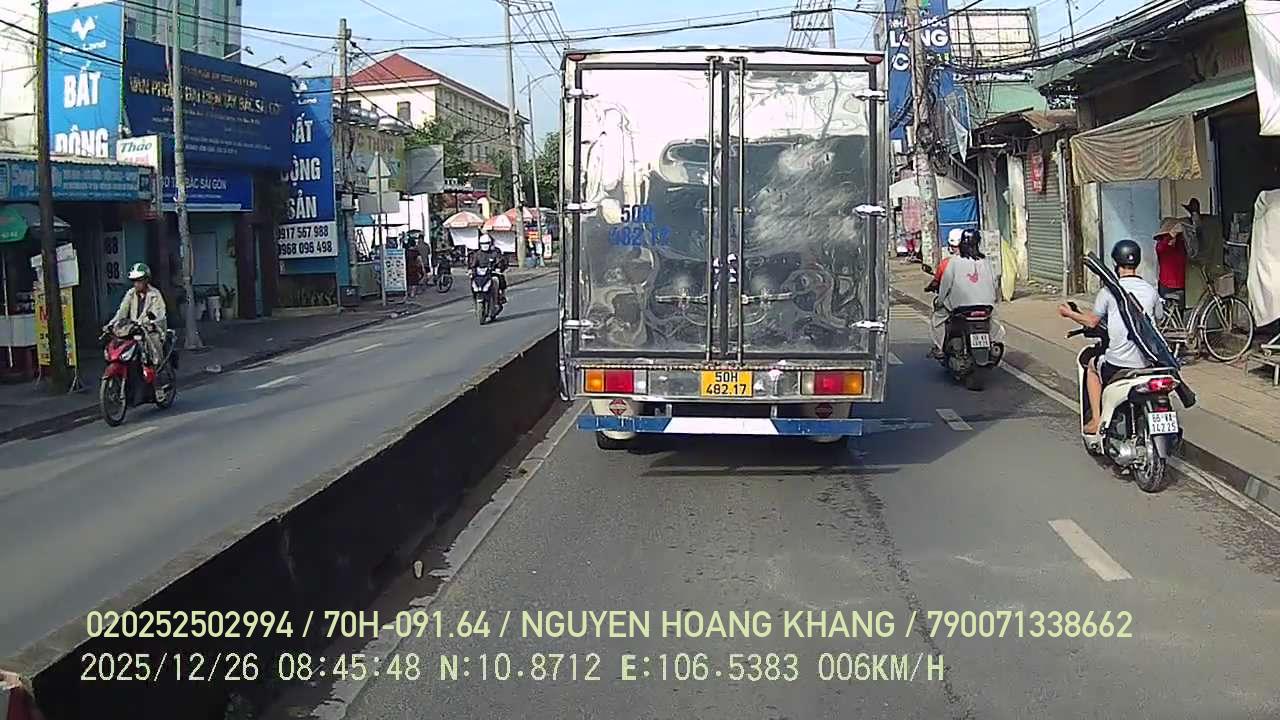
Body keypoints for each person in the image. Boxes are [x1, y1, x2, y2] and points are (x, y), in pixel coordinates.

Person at [1058, 239, 1164, 435]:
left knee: (1092, 366)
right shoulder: (1150, 290)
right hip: (1148, 362)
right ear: (1137, 262)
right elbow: (1159, 317)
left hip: (1119, 364)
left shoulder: (1109, 292)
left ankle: (1096, 420)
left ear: (1116, 263)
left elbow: (1092, 321)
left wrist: (1069, 313)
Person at [929, 229, 999, 358]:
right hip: (986, 306)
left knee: (937, 319)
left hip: (960, 307)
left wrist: (939, 302)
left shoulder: (954, 262)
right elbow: (994, 282)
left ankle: (939, 347)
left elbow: (945, 285)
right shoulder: (986, 262)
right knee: (995, 322)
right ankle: (994, 342)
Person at [107, 263, 167, 369]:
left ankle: (155, 368)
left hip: (151, 330)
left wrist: (151, 323)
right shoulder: (130, 293)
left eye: (139, 281)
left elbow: (159, 314)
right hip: (133, 329)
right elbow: (121, 312)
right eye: (134, 281)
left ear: (146, 280)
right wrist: (111, 324)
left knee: (153, 342)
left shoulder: (155, 295)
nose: (136, 284)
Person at [1154, 218, 1187, 310]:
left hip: (1181, 285)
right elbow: (1160, 248)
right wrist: (1171, 235)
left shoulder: (1181, 245)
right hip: (1166, 286)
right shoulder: (1162, 246)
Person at [469, 234, 508, 302]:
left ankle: (501, 296)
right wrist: (471, 269)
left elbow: (500, 260)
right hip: (481, 274)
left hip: (492, 273)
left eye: (486, 243)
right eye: (483, 243)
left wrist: (499, 267)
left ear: (490, 243)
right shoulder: (477, 254)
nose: (485, 245)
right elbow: (473, 263)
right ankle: (475, 295)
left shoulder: (495, 252)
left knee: (498, 279)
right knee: (473, 280)